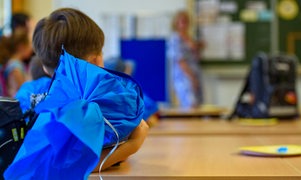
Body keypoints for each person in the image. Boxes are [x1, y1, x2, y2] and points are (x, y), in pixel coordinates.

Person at [4, 8, 148, 179]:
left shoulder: (29, 92)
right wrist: (133, 144)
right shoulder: (84, 105)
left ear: (43, 65)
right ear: (96, 60)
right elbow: (70, 165)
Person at [167, 10, 203, 109]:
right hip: (184, 77)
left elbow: (196, 58)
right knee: (190, 104)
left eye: (186, 21)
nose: (184, 24)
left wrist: (197, 47)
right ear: (176, 23)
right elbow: (180, 61)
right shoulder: (175, 39)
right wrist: (192, 78)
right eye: (181, 21)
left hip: (195, 74)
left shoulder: (190, 38)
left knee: (199, 105)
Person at [0, 31, 33, 97]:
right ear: (21, 47)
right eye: (29, 44)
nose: (31, 48)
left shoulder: (16, 64)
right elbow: (21, 90)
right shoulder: (15, 67)